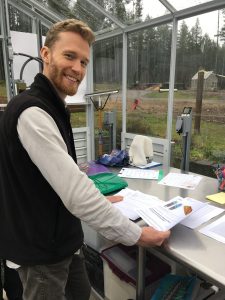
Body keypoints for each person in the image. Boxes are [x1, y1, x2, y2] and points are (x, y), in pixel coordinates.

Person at [0, 19, 170, 300]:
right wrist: (138, 236)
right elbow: (76, 194)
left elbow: (55, 180)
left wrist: (101, 200)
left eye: (84, 61)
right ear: (46, 54)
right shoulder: (32, 112)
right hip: (42, 256)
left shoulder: (53, 107)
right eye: (69, 56)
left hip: (65, 243)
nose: (78, 69)